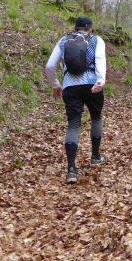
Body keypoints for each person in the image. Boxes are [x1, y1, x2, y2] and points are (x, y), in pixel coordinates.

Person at [44, 16, 107, 184]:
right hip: (92, 84)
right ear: (90, 28)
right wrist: (101, 81)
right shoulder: (96, 40)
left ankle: (71, 169)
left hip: (70, 86)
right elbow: (100, 59)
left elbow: (49, 66)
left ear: (75, 28)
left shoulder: (64, 40)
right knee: (96, 117)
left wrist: (56, 85)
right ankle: (95, 156)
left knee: (73, 124)